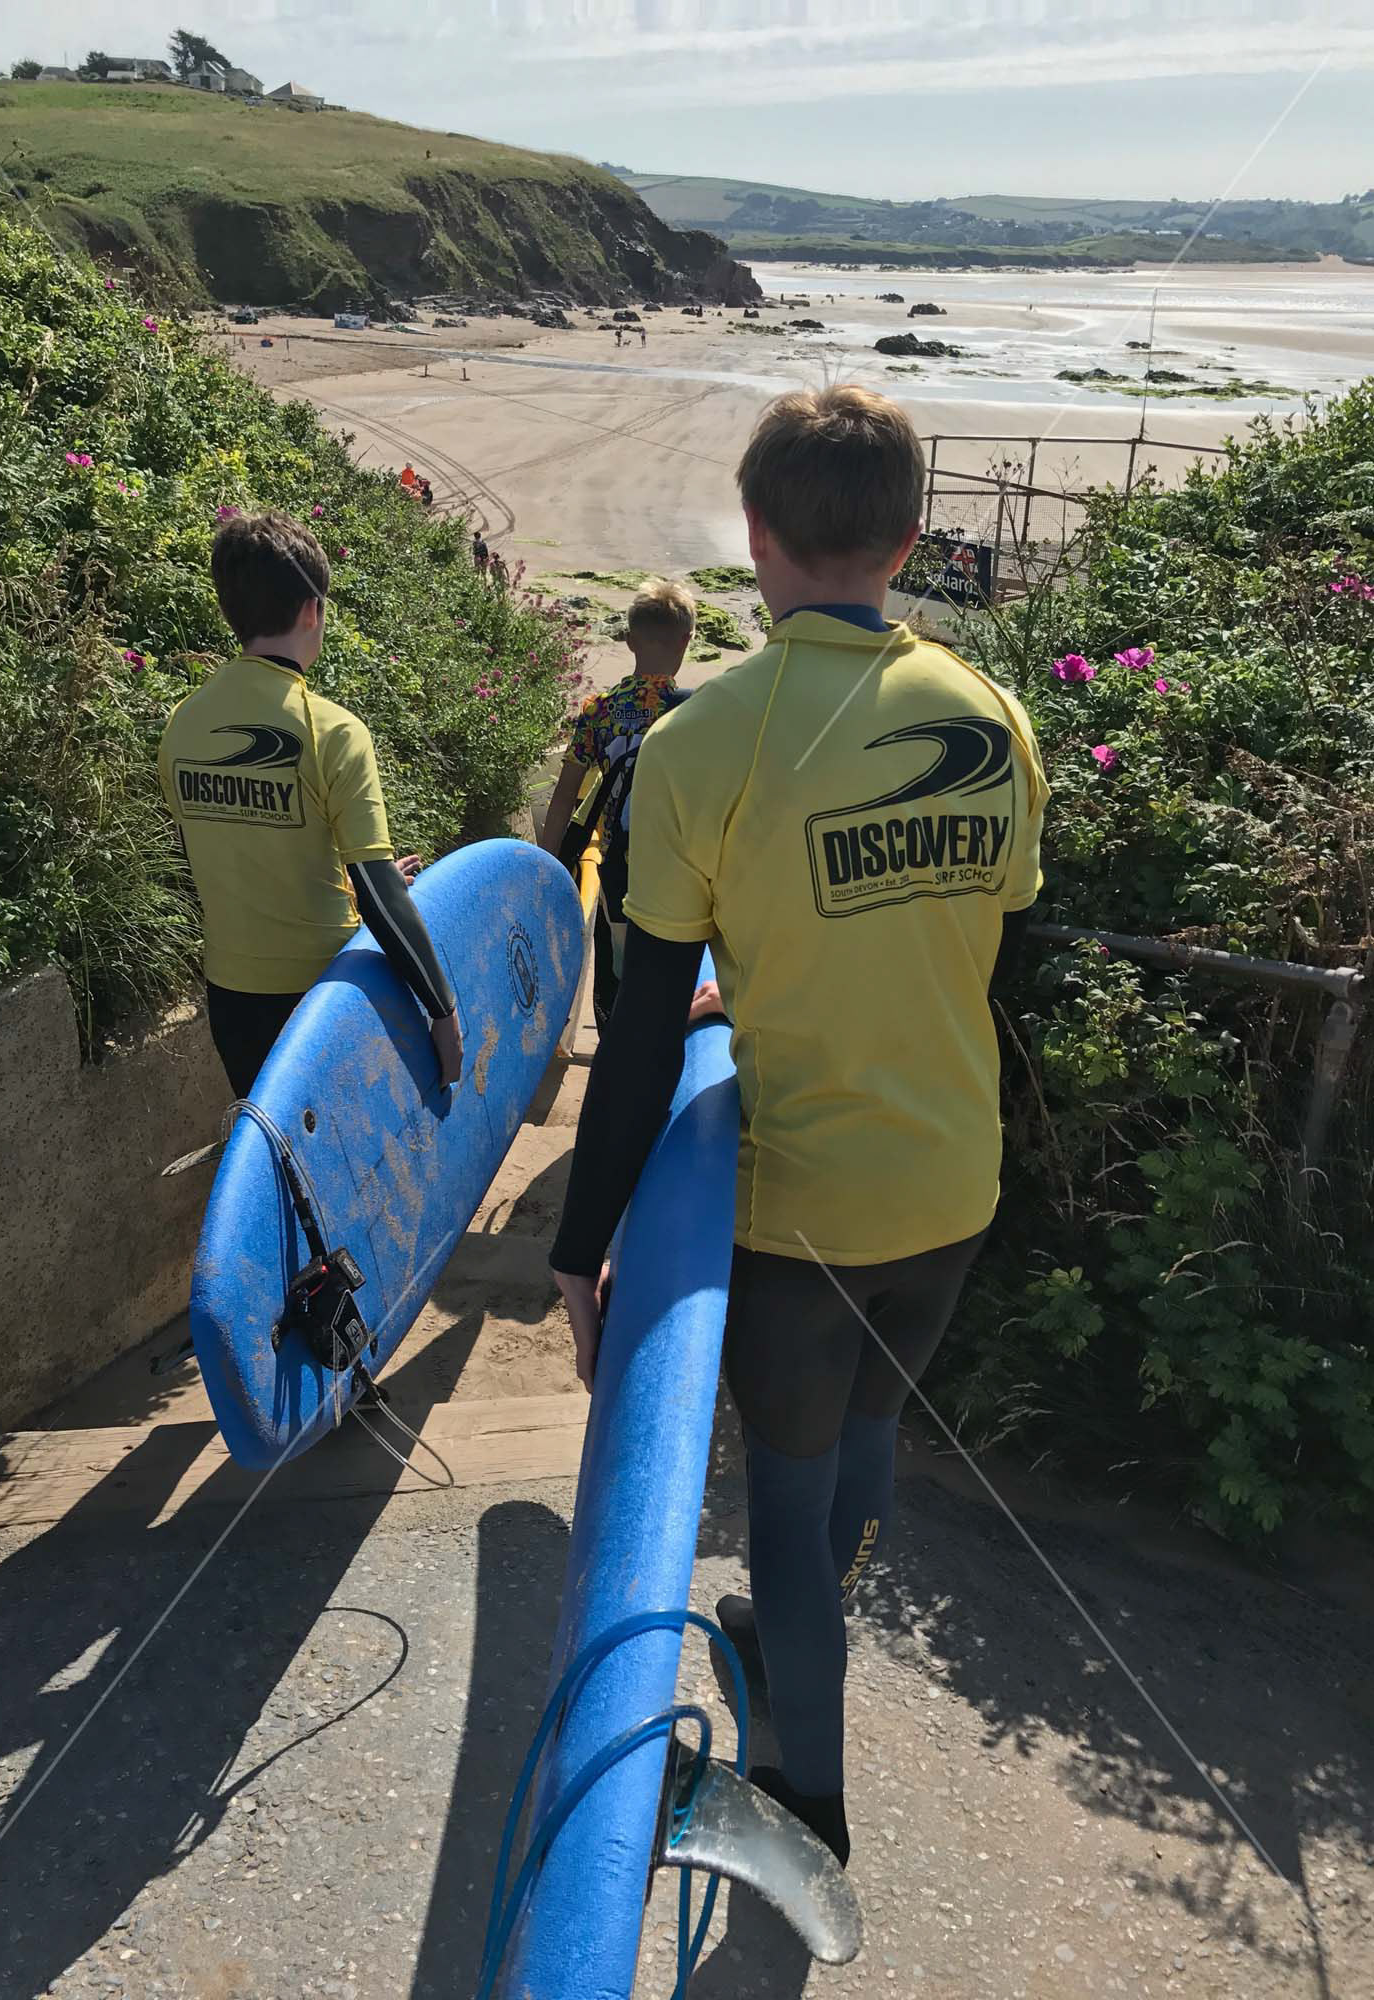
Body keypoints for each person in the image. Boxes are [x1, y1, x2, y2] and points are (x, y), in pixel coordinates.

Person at [548, 388, 1048, 1866]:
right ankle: (793, 1628)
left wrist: (583, 1249)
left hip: (802, 1211)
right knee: (871, 1439)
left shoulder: (703, 744)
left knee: (784, 1487)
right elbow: (986, 950)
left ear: (754, 536)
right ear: (908, 540)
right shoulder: (990, 717)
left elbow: (638, 1031)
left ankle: (804, 1811)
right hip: (954, 1187)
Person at [158, 511, 463, 1100]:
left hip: (231, 998)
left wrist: (358, 885)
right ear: (311, 611)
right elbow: (378, 893)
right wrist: (442, 1010)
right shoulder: (333, 731)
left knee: (280, 1160)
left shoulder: (183, 724)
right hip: (325, 997)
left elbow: (225, 846)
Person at [538, 580, 695, 1025]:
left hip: (618, 866)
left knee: (614, 963)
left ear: (629, 640)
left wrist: (551, 865)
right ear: (688, 640)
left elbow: (566, 793)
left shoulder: (600, 710)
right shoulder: (699, 710)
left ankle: (613, 1041)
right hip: (681, 867)